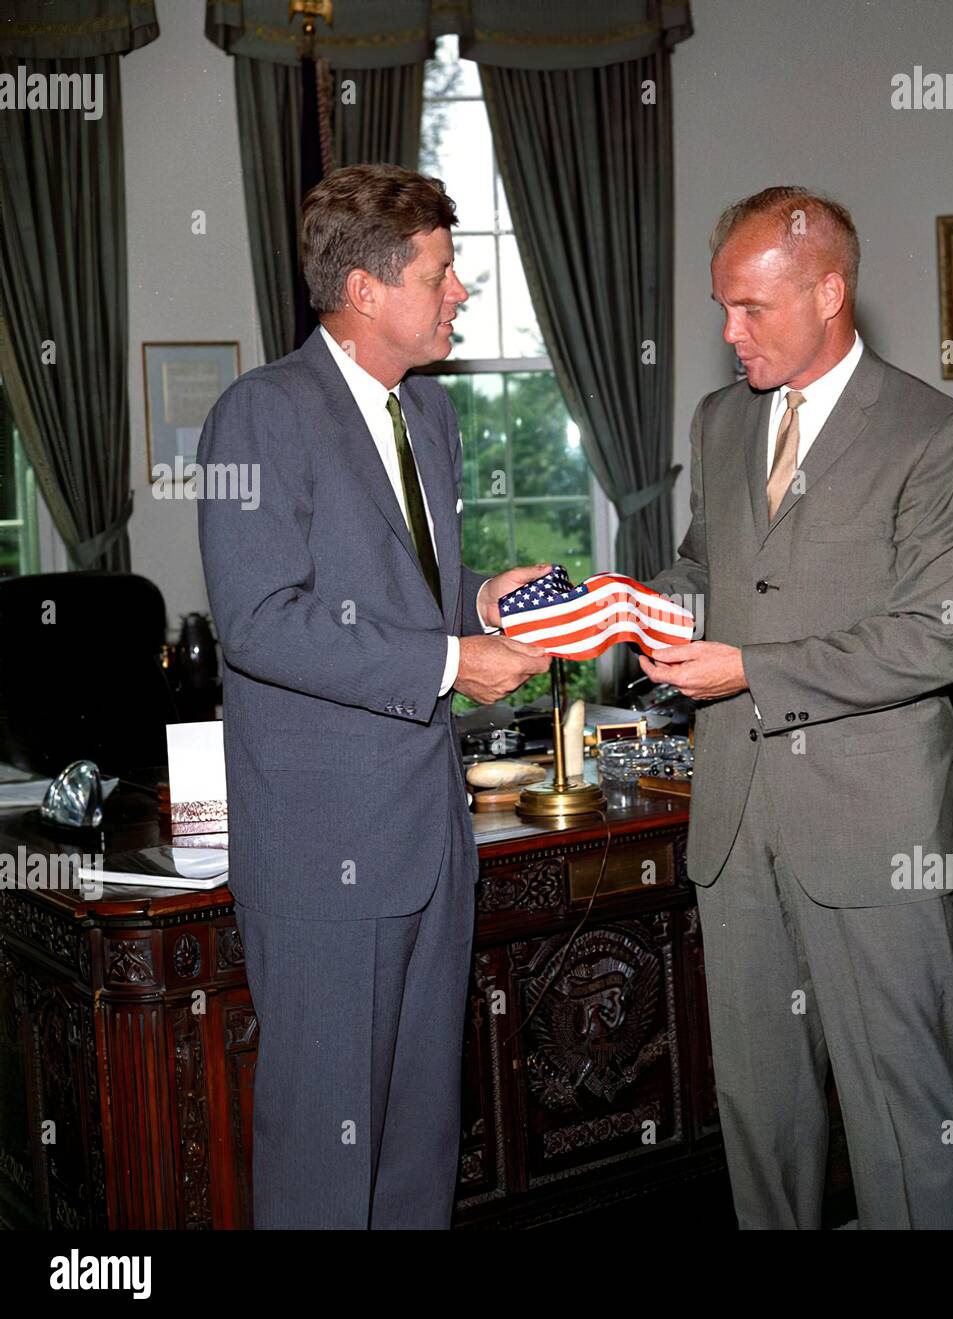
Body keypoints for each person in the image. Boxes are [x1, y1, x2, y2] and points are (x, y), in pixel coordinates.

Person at [196, 164, 550, 1229]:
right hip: (323, 846)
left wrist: (481, 596)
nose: (460, 292)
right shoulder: (258, 415)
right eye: (442, 272)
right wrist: (451, 662)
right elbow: (258, 619)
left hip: (427, 833)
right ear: (364, 289)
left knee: (413, 1139)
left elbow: (396, 590)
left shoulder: (425, 414)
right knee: (324, 1146)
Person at [639, 186, 953, 1229]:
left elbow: (931, 637)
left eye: (750, 308)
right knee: (761, 1104)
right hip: (736, 818)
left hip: (868, 821)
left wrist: (748, 665)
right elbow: (713, 564)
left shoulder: (934, 436)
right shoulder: (717, 421)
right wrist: (644, 600)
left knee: (899, 1103)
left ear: (829, 292)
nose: (727, 331)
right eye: (721, 306)